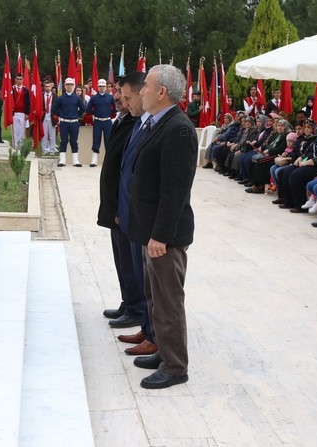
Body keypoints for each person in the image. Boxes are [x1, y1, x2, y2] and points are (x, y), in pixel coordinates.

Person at [128, 64, 197, 389]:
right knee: (154, 297)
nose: (140, 90)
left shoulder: (179, 129)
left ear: (162, 92)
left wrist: (160, 236)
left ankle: (175, 366)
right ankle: (162, 350)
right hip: (151, 231)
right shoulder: (159, 123)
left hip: (163, 237)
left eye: (146, 86)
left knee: (168, 301)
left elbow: (175, 190)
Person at [101, 73, 157, 355]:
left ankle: (138, 310)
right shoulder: (126, 119)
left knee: (138, 266)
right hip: (120, 203)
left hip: (133, 209)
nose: (120, 99)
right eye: (118, 94)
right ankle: (129, 302)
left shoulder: (142, 123)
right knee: (123, 258)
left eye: (126, 95)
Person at [51, 78, 85, 167]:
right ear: (65, 86)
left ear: (73, 86)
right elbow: (54, 109)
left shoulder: (77, 98)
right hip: (64, 123)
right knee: (63, 141)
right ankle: (62, 160)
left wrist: (77, 115)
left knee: (74, 141)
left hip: (74, 123)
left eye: (71, 85)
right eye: (68, 85)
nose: (69, 86)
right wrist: (61, 115)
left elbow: (82, 109)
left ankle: (75, 160)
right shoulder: (60, 98)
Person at [85, 79, 116, 167]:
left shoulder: (110, 97)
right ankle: (94, 160)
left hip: (107, 122)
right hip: (97, 121)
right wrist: (96, 113)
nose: (101, 88)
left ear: (106, 87)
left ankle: (108, 160)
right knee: (96, 140)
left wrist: (109, 112)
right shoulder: (94, 98)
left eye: (103, 86)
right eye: (100, 86)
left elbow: (115, 108)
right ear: (98, 87)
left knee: (108, 140)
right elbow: (88, 109)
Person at [12, 73, 31, 149]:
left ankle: (21, 146)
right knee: (15, 130)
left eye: (20, 79)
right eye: (18, 79)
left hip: (23, 113)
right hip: (14, 113)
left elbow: (28, 102)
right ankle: (15, 146)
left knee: (22, 130)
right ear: (15, 80)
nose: (19, 80)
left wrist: (27, 113)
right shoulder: (12, 89)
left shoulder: (25, 90)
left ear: (23, 80)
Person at [40, 80, 58, 155]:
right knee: (44, 134)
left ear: (51, 87)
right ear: (44, 87)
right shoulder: (41, 95)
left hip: (52, 116)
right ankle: (44, 149)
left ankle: (52, 149)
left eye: (49, 86)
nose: (47, 88)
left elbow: (57, 106)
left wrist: (56, 116)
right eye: (46, 86)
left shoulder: (54, 95)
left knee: (52, 134)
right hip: (44, 117)